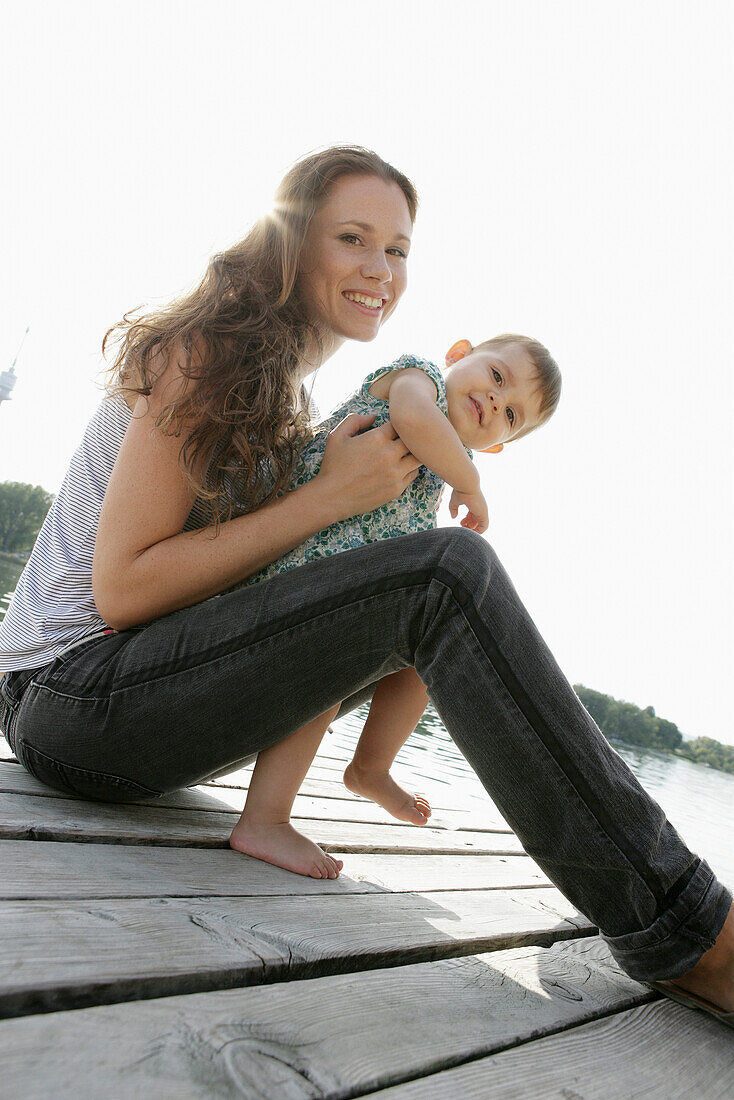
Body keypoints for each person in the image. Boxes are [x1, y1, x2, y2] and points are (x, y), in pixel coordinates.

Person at [0, 146, 732, 1025]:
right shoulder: (205, 354)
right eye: (353, 238)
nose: (380, 271)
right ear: (293, 240)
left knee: (414, 573)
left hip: (148, 703)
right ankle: (693, 937)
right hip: (65, 695)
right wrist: (325, 500)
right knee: (446, 571)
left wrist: (333, 512)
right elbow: (120, 593)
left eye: (399, 249)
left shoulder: (299, 405)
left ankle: (370, 777)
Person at [231, 334, 560, 878]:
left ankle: (371, 767)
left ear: (502, 442)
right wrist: (471, 482)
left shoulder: (442, 468)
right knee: (326, 666)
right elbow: (412, 417)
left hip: (341, 587)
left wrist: (459, 475)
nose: (493, 403)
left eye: (510, 415)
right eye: (497, 378)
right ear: (460, 354)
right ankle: (264, 818)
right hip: (291, 567)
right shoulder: (417, 379)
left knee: (436, 638)